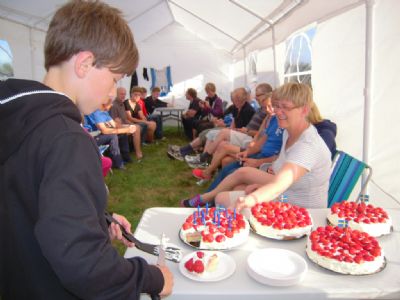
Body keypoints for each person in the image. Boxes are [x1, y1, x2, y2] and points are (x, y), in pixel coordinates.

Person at [0, 1, 173, 299]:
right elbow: (83, 264)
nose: (110, 94)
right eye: (114, 79)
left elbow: (34, 205)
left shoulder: (18, 117)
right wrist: (152, 278)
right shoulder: (67, 140)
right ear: (84, 63)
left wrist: (96, 219)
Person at [181, 82, 331, 210]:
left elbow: (279, 184)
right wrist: (260, 186)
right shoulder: (289, 131)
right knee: (240, 179)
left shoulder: (307, 145)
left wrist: (252, 199)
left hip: (299, 210)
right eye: (277, 106)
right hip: (287, 193)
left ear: (304, 110)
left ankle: (208, 204)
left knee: (223, 198)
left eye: (285, 107)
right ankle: (207, 199)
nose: (278, 111)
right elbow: (279, 169)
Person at [110, 87, 143, 160]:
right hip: (116, 128)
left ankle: (133, 149)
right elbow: (114, 122)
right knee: (136, 128)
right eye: (121, 94)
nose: (123, 96)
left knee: (137, 126)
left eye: (124, 94)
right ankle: (138, 152)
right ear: (116, 94)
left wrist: (132, 124)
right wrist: (130, 126)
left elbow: (125, 119)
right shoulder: (114, 105)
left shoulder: (121, 104)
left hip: (123, 125)